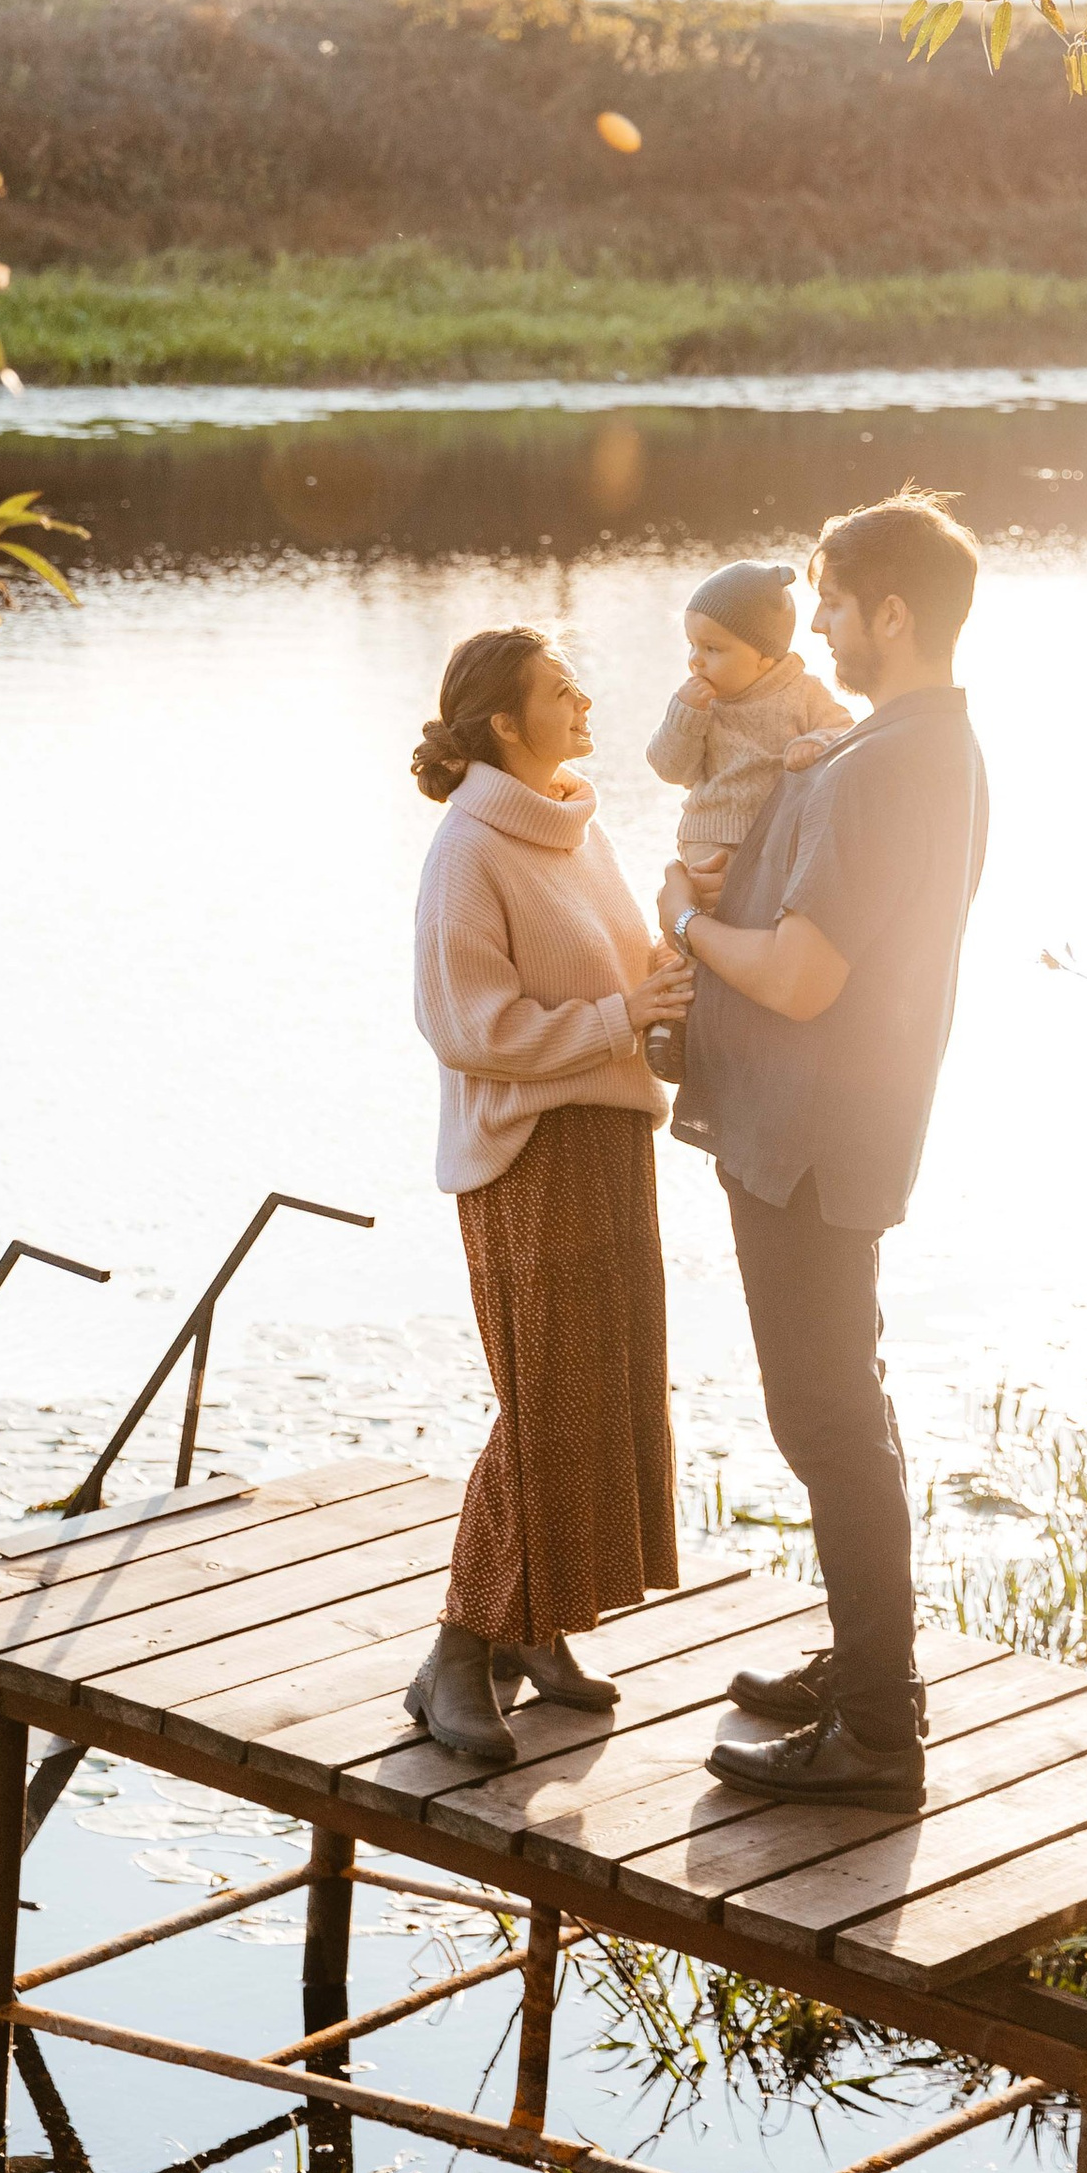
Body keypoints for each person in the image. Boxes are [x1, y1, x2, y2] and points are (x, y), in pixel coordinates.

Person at [655, 490, 989, 1805]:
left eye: (837, 608)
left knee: (825, 1417)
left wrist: (688, 924)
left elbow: (801, 978)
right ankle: (865, 1666)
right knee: (846, 1403)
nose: (823, 632)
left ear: (890, 615)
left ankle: (874, 1737)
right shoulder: (922, 742)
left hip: (809, 1139)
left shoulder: (885, 764)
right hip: (833, 1126)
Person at [406, 623, 694, 1766]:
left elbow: (615, 974)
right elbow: (467, 1026)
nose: (584, 706)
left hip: (609, 1136)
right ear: (502, 722)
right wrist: (622, 1016)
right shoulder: (467, 851)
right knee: (544, 1404)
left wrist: (664, 979)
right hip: (526, 1156)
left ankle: (535, 1624)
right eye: (561, 692)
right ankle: (456, 1650)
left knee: (602, 1391)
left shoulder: (577, 823)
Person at [644, 559, 854, 867]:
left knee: (782, 885)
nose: (695, 660)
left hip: (779, 837)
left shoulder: (802, 692)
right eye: (692, 645)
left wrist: (817, 741)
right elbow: (671, 770)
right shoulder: (698, 703)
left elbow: (845, 731)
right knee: (714, 882)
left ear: (764, 656)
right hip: (709, 836)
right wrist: (684, 718)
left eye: (712, 648)